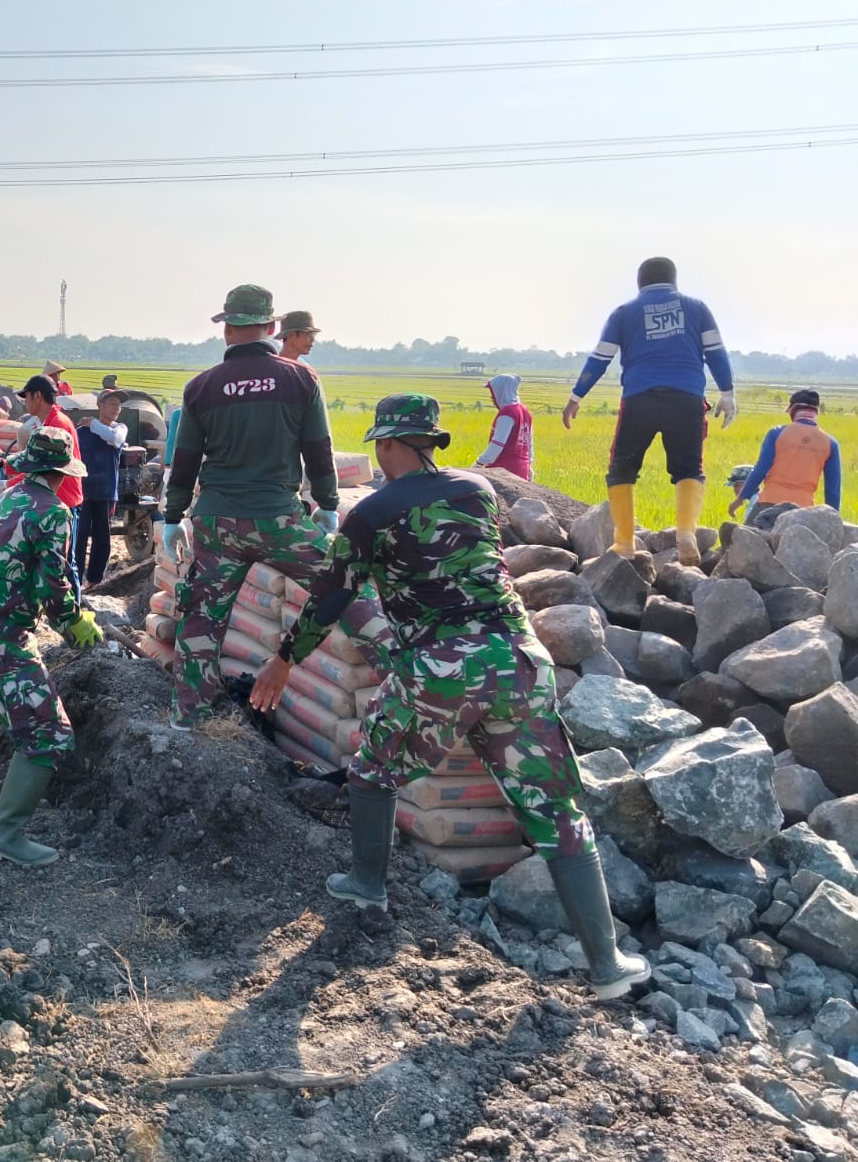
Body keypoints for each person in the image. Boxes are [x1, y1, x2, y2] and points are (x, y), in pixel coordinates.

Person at [250, 394, 650, 1003]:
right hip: (520, 663)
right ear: (431, 442)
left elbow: (332, 596)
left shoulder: (372, 514)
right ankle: (608, 964)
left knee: (372, 770)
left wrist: (283, 659)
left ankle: (365, 884)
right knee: (556, 808)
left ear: (386, 445)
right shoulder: (477, 492)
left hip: (441, 668)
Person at [164, 284, 338, 731]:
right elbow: (319, 449)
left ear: (226, 330)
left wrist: (172, 516)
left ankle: (189, 718)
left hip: (216, 523)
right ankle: (400, 679)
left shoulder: (202, 387)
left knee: (201, 621)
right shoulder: (301, 380)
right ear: (273, 327)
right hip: (280, 521)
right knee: (346, 589)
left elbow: (184, 461)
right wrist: (329, 504)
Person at [0, 427, 103, 866]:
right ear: (62, 471)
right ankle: (6, 836)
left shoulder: (9, 496)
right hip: (0, 635)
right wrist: (73, 620)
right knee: (48, 734)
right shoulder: (55, 512)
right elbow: (52, 582)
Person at [562, 257, 735, 566]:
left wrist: (576, 396)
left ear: (639, 282)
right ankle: (685, 534)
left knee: (622, 469)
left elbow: (599, 359)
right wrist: (727, 392)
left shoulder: (623, 313)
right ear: (674, 281)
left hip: (639, 399)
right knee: (689, 469)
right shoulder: (697, 308)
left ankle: (625, 543)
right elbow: (716, 353)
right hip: (686, 399)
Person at [9, 375, 86, 591]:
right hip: (53, 497)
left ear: (37, 396)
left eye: (27, 397)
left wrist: (9, 485)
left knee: (65, 565)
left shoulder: (57, 426)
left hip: (64, 499)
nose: (25, 402)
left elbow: (41, 468)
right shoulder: (48, 422)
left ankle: (73, 614)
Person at [730, 388, 842, 523]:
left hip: (768, 504)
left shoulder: (776, 433)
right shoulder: (830, 443)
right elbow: (832, 488)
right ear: (816, 412)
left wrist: (740, 499)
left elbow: (760, 470)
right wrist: (833, 517)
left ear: (793, 410)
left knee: (745, 541)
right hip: (803, 510)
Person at [75, 389, 127, 588]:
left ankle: (95, 580)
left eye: (118, 405)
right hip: (83, 491)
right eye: (112, 403)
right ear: (100, 406)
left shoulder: (119, 429)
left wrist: (93, 424)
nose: (116, 408)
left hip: (106, 492)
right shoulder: (81, 433)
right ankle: (76, 578)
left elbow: (114, 439)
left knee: (102, 538)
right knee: (79, 537)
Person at [474, 373, 534, 480]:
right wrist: (529, 465)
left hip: (503, 470)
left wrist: (478, 464)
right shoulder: (525, 411)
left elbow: (497, 444)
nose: (492, 396)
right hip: (521, 469)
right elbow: (529, 443)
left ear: (501, 391)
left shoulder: (507, 412)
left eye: (493, 392)